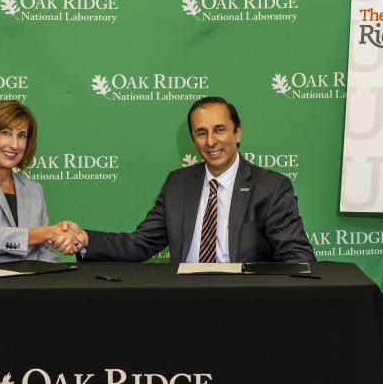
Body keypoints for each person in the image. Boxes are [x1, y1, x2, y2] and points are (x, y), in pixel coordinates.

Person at [66, 96, 315, 263]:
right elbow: (140, 244)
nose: (211, 142)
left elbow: (297, 256)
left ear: (237, 133)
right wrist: (86, 239)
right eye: (201, 133)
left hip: (246, 303)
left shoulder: (270, 187)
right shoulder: (178, 183)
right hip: (185, 300)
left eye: (219, 130)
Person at [0, 100, 82, 264]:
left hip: (30, 284)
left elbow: (45, 252)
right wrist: (48, 232)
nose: (15, 144)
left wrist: (54, 277)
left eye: (22, 135)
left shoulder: (34, 189)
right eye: (5, 133)